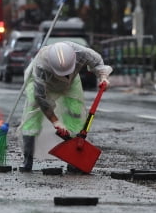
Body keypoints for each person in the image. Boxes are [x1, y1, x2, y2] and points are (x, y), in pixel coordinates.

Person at [18, 41, 112, 173]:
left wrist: (103, 77)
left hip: (71, 83)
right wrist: (55, 121)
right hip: (45, 84)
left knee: (75, 113)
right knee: (32, 116)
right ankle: (27, 160)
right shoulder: (41, 65)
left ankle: (74, 160)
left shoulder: (81, 53)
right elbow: (41, 97)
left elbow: (98, 62)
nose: (64, 75)